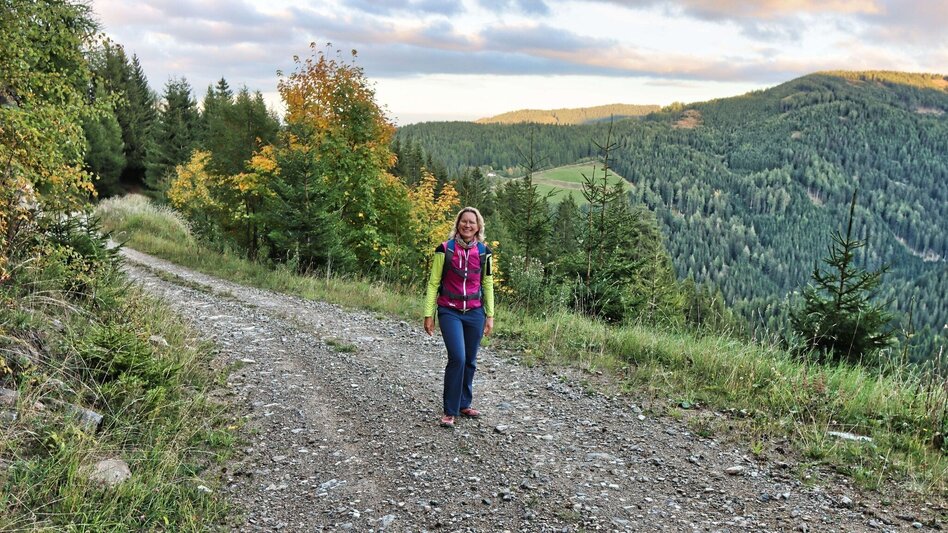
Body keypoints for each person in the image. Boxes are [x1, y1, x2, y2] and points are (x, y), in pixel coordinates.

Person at [423, 207, 495, 428]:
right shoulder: (444, 249)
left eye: (472, 222)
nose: (467, 225)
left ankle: (464, 403)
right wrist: (429, 314)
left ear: (478, 226)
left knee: (470, 361)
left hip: (475, 312)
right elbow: (434, 282)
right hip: (449, 311)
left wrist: (490, 315)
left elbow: (487, 284)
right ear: (458, 224)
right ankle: (449, 410)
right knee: (458, 358)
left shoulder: (484, 252)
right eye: (464, 221)